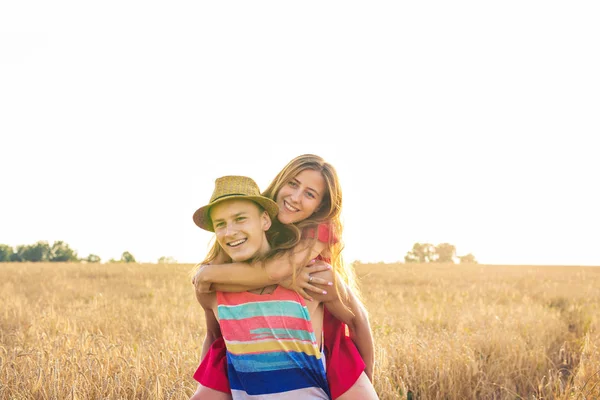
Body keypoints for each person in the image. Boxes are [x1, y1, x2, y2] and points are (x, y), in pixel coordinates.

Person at [192, 155, 378, 399]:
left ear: (320, 207)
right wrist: (204, 274)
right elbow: (215, 332)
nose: (295, 197)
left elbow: (278, 269)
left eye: (310, 194)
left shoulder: (316, 234)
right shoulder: (248, 219)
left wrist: (207, 275)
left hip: (321, 347)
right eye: (292, 183)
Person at [191, 175, 331, 399]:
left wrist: (364, 378)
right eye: (220, 224)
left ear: (265, 220)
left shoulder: (312, 275)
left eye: (240, 219)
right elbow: (214, 337)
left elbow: (357, 319)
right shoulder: (211, 289)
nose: (230, 231)